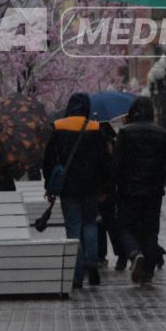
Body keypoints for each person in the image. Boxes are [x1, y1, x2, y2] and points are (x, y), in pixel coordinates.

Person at [42, 93, 110, 290]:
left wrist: (50, 185)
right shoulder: (95, 128)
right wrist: (104, 186)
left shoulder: (58, 127)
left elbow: (49, 161)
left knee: (73, 228)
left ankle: (77, 274)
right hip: (91, 187)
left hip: (68, 188)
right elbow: (105, 161)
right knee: (90, 224)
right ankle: (92, 262)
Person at [109, 96, 166, 284]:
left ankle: (133, 252)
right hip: (153, 192)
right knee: (151, 230)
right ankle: (148, 272)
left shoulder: (125, 133)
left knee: (125, 226)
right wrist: (159, 179)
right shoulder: (162, 133)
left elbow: (117, 164)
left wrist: (114, 187)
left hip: (128, 191)